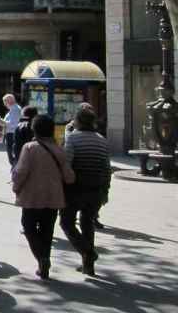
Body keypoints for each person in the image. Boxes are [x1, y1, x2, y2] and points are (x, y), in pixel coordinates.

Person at [12, 114, 75, 279]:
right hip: (53, 198)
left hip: (32, 198)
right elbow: (69, 177)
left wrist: (16, 186)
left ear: (35, 130)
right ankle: (44, 262)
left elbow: (21, 171)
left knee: (28, 227)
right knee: (47, 231)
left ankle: (42, 258)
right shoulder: (59, 149)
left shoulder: (29, 148)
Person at [61, 107, 111, 276]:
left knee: (66, 222)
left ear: (78, 121)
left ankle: (88, 253)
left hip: (75, 189)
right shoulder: (102, 140)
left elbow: (66, 163)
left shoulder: (72, 138)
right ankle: (88, 265)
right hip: (95, 189)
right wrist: (105, 191)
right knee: (87, 223)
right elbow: (106, 168)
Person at [3, 93, 23, 166]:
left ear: (9, 102)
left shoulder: (15, 109)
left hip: (12, 134)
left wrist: (2, 122)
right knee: (11, 154)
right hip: (10, 133)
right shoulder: (13, 109)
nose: (4, 105)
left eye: (5, 102)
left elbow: (13, 123)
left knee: (12, 155)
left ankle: (15, 169)